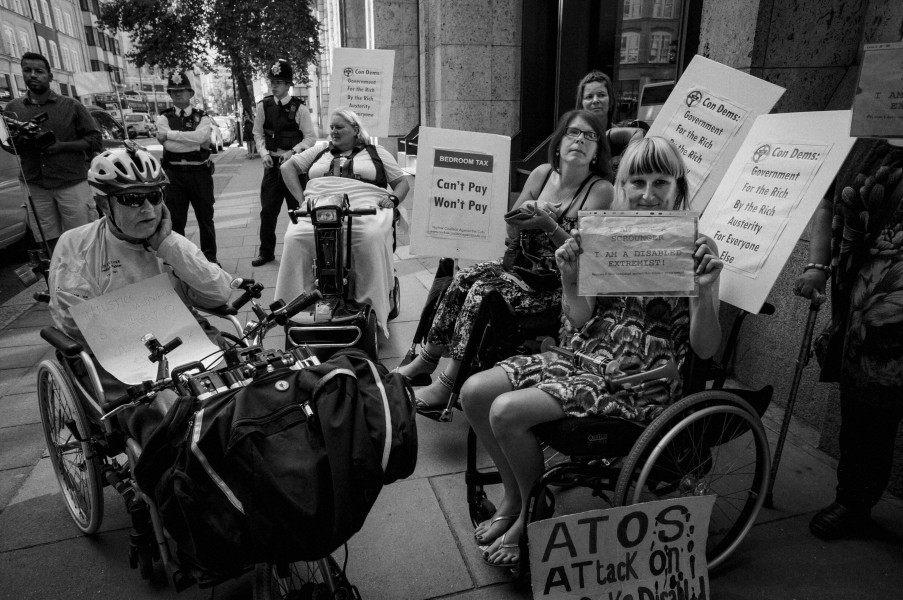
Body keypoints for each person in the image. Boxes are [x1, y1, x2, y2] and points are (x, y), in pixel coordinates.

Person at [460, 136, 723, 568]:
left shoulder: (694, 246)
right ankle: (514, 495)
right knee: (473, 392)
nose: (647, 194)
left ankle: (530, 514)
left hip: (638, 380)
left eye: (661, 182)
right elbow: (580, 319)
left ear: (679, 186)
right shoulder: (604, 236)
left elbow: (705, 347)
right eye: (637, 181)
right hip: (584, 356)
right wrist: (569, 277)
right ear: (622, 185)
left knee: (506, 411)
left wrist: (706, 290)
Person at [396, 109, 614, 410]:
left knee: (483, 293)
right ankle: (426, 359)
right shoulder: (541, 174)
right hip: (521, 268)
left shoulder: (600, 190)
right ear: (559, 142)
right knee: (463, 278)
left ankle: (448, 385)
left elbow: (587, 256)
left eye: (590, 136)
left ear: (597, 151)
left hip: (557, 284)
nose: (580, 140)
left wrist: (549, 226)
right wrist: (530, 206)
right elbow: (510, 228)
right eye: (573, 132)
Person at [48, 144, 233, 440]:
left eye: (154, 196)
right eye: (132, 199)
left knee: (240, 385)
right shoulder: (78, 245)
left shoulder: (169, 241)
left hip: (182, 335)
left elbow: (219, 295)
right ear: (103, 204)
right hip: (117, 352)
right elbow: (74, 323)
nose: (147, 208)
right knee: (159, 417)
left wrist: (169, 245)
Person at [793, 136, 903, 540]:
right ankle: (854, 500)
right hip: (865, 307)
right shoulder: (862, 137)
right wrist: (818, 265)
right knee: (864, 407)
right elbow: (826, 203)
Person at [276, 107, 409, 338]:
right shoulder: (319, 151)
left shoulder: (376, 152)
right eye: (331, 128)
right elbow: (287, 167)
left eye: (339, 127)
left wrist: (393, 199)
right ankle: (298, 305)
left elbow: (402, 183)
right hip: (320, 206)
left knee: (369, 237)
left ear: (355, 129)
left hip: (363, 205)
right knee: (294, 237)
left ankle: (371, 304)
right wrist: (301, 201)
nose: (333, 132)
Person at [1, 52, 102, 252]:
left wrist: (62, 146)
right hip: (34, 183)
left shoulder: (71, 106)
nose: (33, 75)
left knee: (83, 238)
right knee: (48, 241)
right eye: (27, 70)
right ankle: (57, 270)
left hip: (71, 182)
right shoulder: (13, 108)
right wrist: (17, 141)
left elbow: (95, 140)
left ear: (49, 76)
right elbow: (9, 145)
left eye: (39, 71)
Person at [251, 59, 316, 267]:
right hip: (272, 166)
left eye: (278, 82)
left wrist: (293, 152)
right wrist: (263, 153)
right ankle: (266, 252)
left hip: (294, 167)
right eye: (272, 81)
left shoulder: (300, 109)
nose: (274, 85)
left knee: (299, 210)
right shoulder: (264, 106)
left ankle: (304, 253)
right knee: (268, 211)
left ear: (288, 84)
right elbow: (258, 133)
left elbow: (310, 138)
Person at [155, 71, 218, 264]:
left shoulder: (202, 116)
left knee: (205, 218)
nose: (178, 94)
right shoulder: (164, 118)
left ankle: (210, 259)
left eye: (182, 90)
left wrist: (170, 135)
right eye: (174, 91)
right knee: (176, 220)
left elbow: (201, 138)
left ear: (190, 93)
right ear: (170, 94)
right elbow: (169, 147)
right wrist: (194, 142)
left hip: (199, 172)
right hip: (174, 175)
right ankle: (180, 260)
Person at [574, 70, 645, 170]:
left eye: (601, 95)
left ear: (610, 100)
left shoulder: (623, 139)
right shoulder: (572, 138)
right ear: (581, 104)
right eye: (589, 97)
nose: (595, 100)